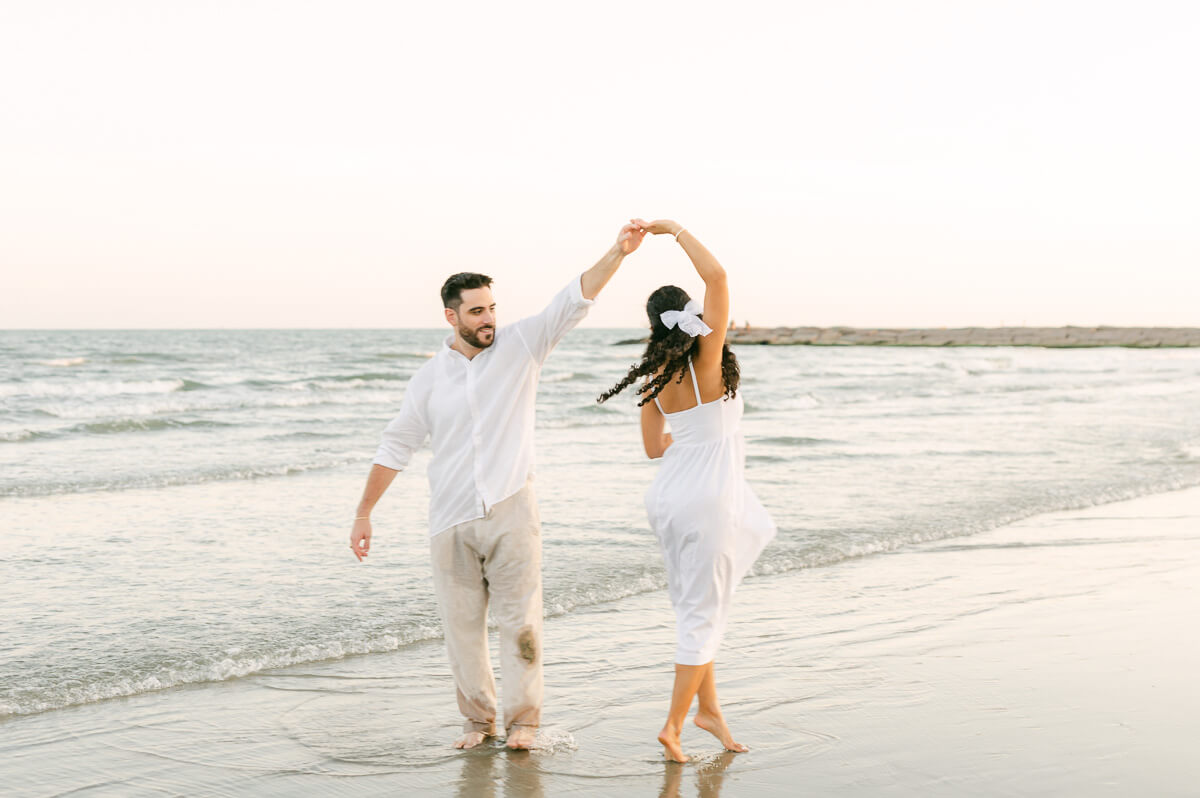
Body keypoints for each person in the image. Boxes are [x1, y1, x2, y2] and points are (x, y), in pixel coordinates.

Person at [350, 221, 647, 750]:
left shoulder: (522, 344)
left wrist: (618, 252)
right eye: (477, 311)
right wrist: (363, 513)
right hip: (450, 518)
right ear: (451, 316)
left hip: (512, 508)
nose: (489, 319)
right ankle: (478, 721)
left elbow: (573, 298)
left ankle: (524, 723)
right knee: (462, 633)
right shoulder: (428, 379)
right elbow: (396, 445)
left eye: (491, 308)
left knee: (521, 624)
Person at [597, 219, 776, 762]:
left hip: (670, 501)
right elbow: (718, 276)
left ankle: (711, 711)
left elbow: (655, 450)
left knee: (699, 607)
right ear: (688, 314)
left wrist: (695, 436)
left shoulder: (654, 379)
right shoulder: (708, 359)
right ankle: (674, 725)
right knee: (702, 613)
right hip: (708, 502)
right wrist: (674, 230)